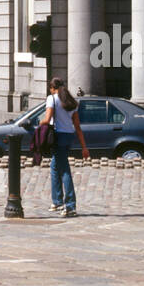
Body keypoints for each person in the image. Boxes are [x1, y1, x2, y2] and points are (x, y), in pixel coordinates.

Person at [39, 77, 90, 218]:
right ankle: (57, 201)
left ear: (52, 88)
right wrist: (84, 147)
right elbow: (77, 127)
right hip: (69, 137)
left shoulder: (52, 98)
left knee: (64, 170)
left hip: (58, 136)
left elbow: (47, 119)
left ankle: (70, 206)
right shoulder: (72, 102)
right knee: (55, 166)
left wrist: (40, 123)